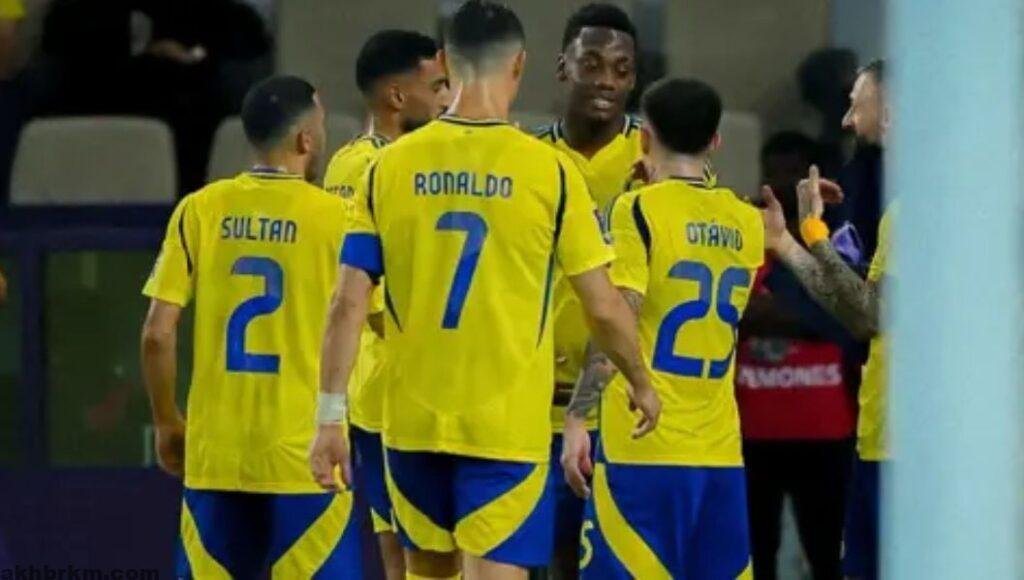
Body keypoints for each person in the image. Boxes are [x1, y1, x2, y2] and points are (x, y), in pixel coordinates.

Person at [311, 2, 659, 579]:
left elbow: (347, 303)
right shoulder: (548, 171)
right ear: (519, 65)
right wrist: (641, 381)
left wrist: (329, 417)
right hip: (505, 428)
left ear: (446, 63)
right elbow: (603, 305)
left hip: (412, 422)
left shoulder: (387, 168)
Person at [140, 75, 361, 577]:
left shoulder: (200, 209)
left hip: (216, 454)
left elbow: (157, 333)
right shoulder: (341, 218)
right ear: (306, 139)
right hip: (306, 457)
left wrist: (167, 421)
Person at [564, 78, 764, 579]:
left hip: (643, 449)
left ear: (644, 137)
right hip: (720, 455)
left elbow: (619, 316)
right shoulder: (747, 221)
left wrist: (578, 417)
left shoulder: (637, 209)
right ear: (716, 141)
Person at [322, 29, 450, 580]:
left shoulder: (366, 161)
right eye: (438, 86)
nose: (448, 99)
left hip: (395, 392)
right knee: (411, 556)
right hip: (390, 393)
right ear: (398, 97)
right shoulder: (369, 169)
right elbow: (366, 299)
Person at [760, 59, 889, 580]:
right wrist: (788, 245)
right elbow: (853, 311)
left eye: (857, 105)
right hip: (878, 438)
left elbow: (868, 316)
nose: (846, 120)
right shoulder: (886, 200)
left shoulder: (926, 209)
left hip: (916, 449)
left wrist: (814, 236)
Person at [532, 4, 640, 576]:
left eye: (622, 70)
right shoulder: (529, 161)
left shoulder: (657, 158)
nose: (606, 81)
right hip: (535, 409)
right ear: (562, 67)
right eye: (592, 64)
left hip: (622, 415)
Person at [737, 131, 856, 580]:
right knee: (755, 555)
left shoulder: (835, 235)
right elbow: (734, 311)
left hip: (825, 428)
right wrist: (810, 310)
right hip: (753, 427)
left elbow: (849, 314)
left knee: (828, 555)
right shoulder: (747, 233)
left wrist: (783, 311)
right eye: (773, 171)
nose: (782, 182)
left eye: (793, 172)